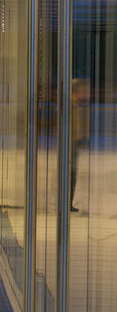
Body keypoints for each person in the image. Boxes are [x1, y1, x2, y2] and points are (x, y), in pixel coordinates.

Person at [70, 77, 90, 213]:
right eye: (84, 91)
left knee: (73, 174)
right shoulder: (70, 105)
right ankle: (66, 203)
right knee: (71, 174)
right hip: (70, 144)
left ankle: (68, 202)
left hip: (73, 143)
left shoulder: (74, 104)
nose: (86, 93)